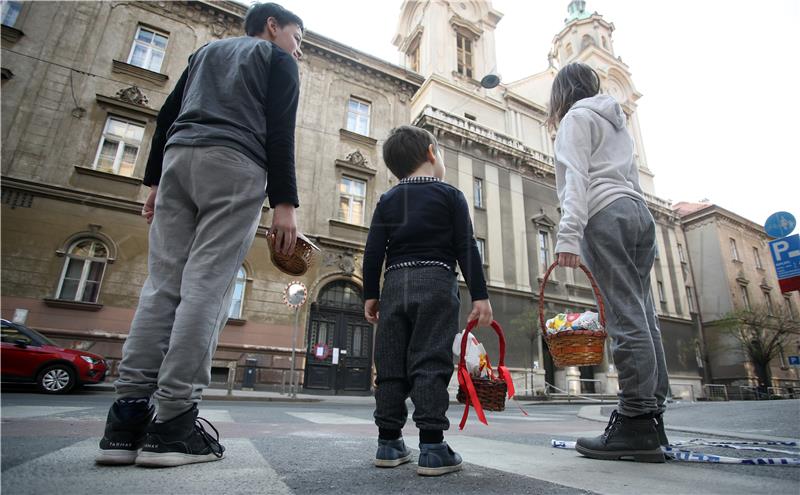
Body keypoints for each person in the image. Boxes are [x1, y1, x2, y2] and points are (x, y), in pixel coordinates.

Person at [95, 2, 304, 467]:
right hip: (235, 166)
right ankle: (172, 425)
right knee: (207, 285)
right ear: (272, 26)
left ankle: (125, 421)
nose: (299, 50)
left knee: (161, 286)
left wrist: (152, 181)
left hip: (178, 162)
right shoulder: (278, 60)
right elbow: (280, 132)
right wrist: (284, 203)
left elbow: (165, 118)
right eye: (297, 37)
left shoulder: (205, 53)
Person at [547, 62, 669, 463]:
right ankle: (653, 417)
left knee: (623, 317)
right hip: (639, 214)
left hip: (605, 214)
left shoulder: (575, 119)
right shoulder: (618, 125)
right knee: (644, 316)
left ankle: (634, 421)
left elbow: (575, 179)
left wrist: (567, 237)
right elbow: (632, 180)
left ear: (562, 93)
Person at [362, 125, 493, 476]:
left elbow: (374, 250)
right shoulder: (451, 196)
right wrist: (479, 295)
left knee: (389, 363)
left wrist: (370, 294)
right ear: (432, 154)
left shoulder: (387, 200)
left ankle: (388, 442)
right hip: (436, 281)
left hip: (394, 283)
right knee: (430, 360)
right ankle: (433, 447)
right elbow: (467, 248)